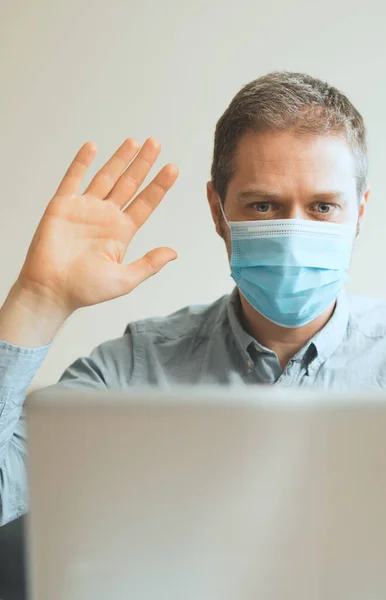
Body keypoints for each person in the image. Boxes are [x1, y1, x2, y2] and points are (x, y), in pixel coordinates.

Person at [1, 71, 386, 526]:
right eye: (263, 206)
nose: (293, 235)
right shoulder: (137, 370)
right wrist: (36, 301)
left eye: (323, 207)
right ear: (217, 210)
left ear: (359, 212)